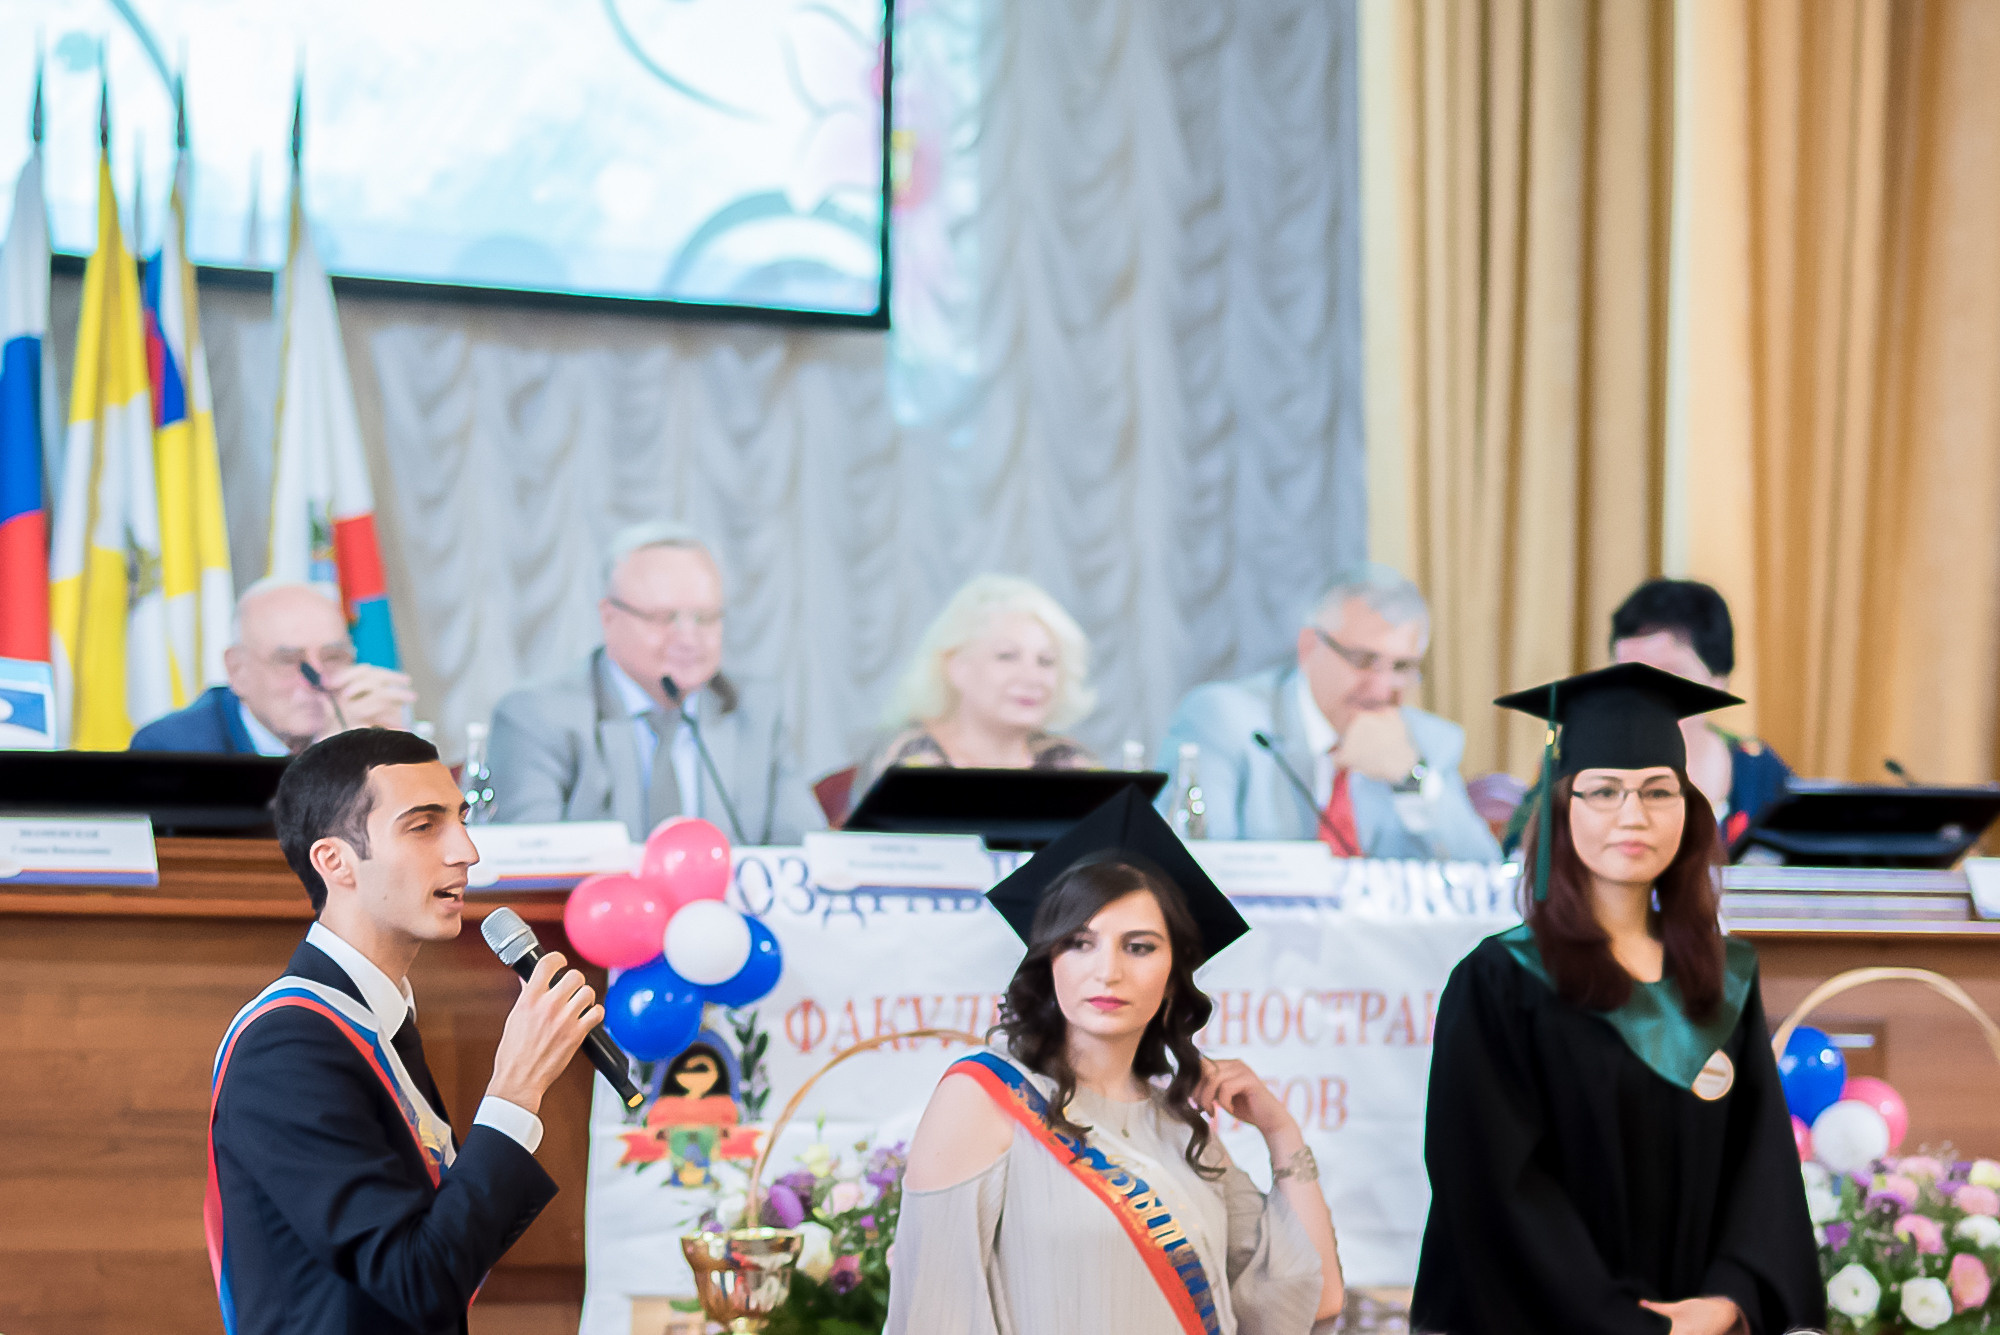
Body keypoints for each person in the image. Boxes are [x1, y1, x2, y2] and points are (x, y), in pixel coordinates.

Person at [1411, 663, 1823, 1335]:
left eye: (1659, 791)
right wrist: (1628, 1326)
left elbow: (1764, 1169)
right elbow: (1493, 1187)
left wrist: (1729, 1298)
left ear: (1689, 814)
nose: (1633, 816)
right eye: (1603, 791)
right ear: (1562, 805)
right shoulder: (1499, 982)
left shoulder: (1721, 979)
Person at [887, 787, 1344, 1335]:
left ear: (1175, 975)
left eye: (1139, 946)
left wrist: (1281, 1131)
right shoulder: (982, 1097)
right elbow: (933, 1317)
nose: (1107, 971)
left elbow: (1315, 1299)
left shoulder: (1178, 1125)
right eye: (1080, 942)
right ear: (1048, 960)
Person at [207, 728, 603, 1334]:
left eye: (462, 819)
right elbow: (415, 1281)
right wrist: (516, 1088)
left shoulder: (378, 1017)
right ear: (334, 860)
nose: (467, 850)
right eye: (424, 826)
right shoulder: (289, 1045)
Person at [486, 522, 821, 844]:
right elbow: (531, 873)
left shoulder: (755, 711)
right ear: (610, 618)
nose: (689, 639)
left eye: (705, 618)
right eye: (665, 618)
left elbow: (804, 854)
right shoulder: (536, 717)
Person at [1157, 564, 1499, 860]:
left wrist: (1413, 779)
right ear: (1309, 648)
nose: (1382, 688)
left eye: (1402, 667)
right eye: (1364, 661)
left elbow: (1485, 875)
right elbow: (1196, 865)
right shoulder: (1228, 720)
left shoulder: (1427, 742)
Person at [855, 574, 1098, 794]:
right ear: (957, 667)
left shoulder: (1068, 762)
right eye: (1007, 656)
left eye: (1046, 661)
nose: (1032, 677)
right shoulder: (908, 757)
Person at [130, 580, 416, 754]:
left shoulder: (367, 725)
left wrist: (395, 754)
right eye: (289, 661)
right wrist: (330, 759)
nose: (318, 680)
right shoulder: (174, 749)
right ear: (237, 671)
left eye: (332, 657)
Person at [1611, 579, 1793, 842]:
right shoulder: (1575, 770)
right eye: (1629, 676)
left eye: (1668, 676)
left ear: (1718, 682)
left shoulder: (1760, 773)